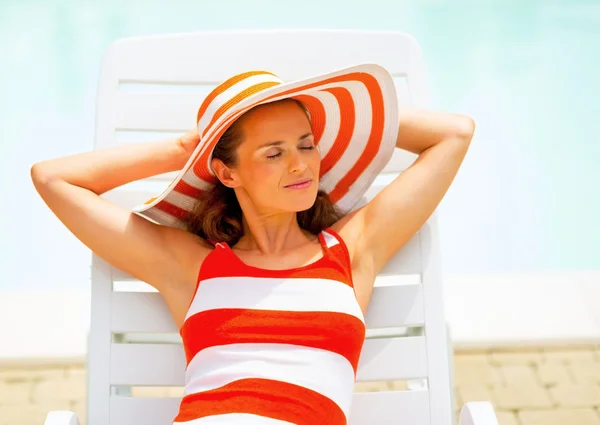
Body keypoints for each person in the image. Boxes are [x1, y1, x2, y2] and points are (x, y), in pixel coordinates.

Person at [31, 64, 475, 425]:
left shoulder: (350, 250)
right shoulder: (193, 265)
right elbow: (53, 179)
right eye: (274, 152)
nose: (301, 165)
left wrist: (351, 115)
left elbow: (454, 134)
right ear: (227, 173)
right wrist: (188, 146)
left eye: (307, 144)